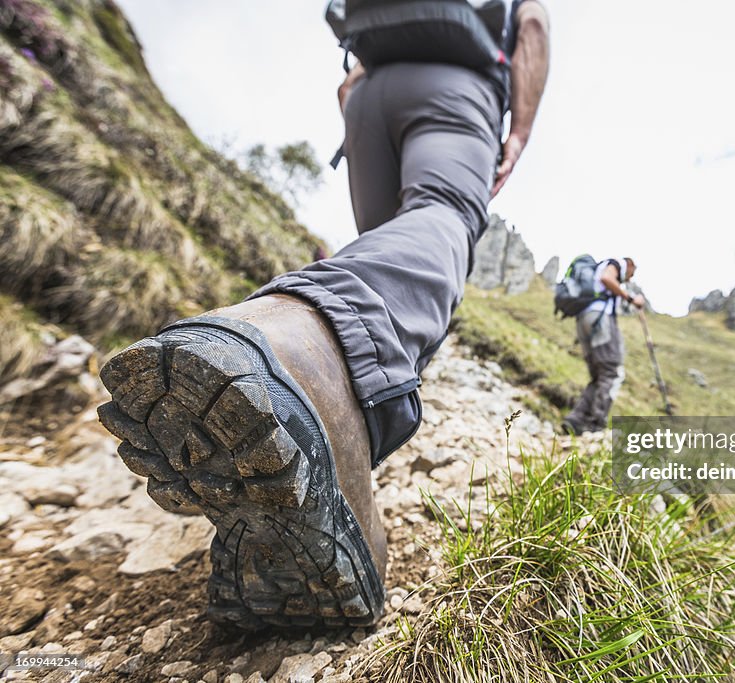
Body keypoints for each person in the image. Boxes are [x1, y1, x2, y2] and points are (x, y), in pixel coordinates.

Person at [97, 1, 550, 631]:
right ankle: (303, 354)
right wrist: (519, 129)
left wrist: (361, 101)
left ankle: (321, 434)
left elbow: (348, 77)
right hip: (457, 86)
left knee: (390, 238)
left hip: (367, 96)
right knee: (442, 216)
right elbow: (531, 23)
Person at [562, 258, 645, 435]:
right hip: (600, 320)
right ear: (629, 264)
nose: (630, 278)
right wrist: (630, 298)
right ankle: (595, 424)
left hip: (584, 321)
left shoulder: (596, 270)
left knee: (598, 376)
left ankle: (575, 420)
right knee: (612, 371)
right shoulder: (616, 264)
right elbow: (607, 279)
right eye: (632, 272)